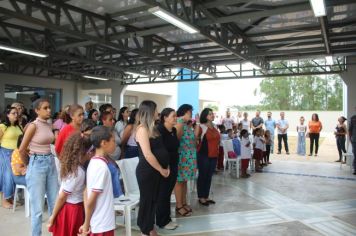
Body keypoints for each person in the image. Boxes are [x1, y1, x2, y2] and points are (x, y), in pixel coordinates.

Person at [19, 98, 59, 236]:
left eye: (49, 107)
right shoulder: (33, 126)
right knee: (38, 209)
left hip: (50, 162)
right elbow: (22, 149)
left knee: (55, 203)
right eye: (45, 108)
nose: (49, 110)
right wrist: (28, 165)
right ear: (37, 110)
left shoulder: (48, 124)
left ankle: (57, 232)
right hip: (37, 164)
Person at [135, 100, 170, 236]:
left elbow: (161, 149)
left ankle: (149, 226)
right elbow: (148, 155)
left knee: (154, 199)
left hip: (156, 170)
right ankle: (146, 228)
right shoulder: (142, 129)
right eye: (156, 110)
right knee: (147, 200)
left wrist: (165, 166)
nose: (157, 112)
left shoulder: (152, 128)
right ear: (150, 112)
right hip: (147, 171)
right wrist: (161, 169)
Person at [47, 132, 91, 236]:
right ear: (84, 152)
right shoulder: (77, 172)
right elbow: (62, 196)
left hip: (73, 208)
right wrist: (53, 216)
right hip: (71, 210)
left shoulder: (74, 168)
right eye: (90, 151)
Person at [79, 126, 116, 236]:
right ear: (104, 143)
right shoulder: (101, 167)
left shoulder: (93, 162)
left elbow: (86, 192)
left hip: (98, 221)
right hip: (103, 223)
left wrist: (88, 221)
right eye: (113, 141)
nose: (115, 144)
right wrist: (86, 224)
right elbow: (91, 200)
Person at [156, 108, 180, 230]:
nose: (176, 118)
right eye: (173, 116)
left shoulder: (174, 130)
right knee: (163, 193)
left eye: (176, 116)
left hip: (174, 164)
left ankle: (167, 218)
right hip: (165, 166)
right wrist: (166, 166)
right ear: (165, 118)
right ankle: (162, 221)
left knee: (168, 192)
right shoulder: (160, 131)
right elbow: (160, 151)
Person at [195, 108, 220, 206]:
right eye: (210, 114)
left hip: (214, 155)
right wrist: (197, 123)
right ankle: (201, 197)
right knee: (203, 176)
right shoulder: (201, 126)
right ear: (205, 116)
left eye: (213, 114)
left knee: (209, 176)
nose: (212, 115)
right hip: (204, 155)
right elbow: (196, 136)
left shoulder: (215, 126)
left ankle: (206, 196)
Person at [175, 104, 196, 217]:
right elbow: (176, 139)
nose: (191, 115)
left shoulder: (186, 124)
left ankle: (183, 202)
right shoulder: (179, 122)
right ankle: (179, 206)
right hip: (182, 155)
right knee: (179, 181)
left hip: (188, 156)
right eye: (190, 113)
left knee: (184, 181)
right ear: (185, 112)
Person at [0, 106, 23, 208]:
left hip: (17, 154)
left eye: (17, 113)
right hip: (6, 153)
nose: (16, 115)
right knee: (8, 175)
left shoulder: (18, 126)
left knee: (15, 175)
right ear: (7, 115)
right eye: (13, 113)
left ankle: (11, 198)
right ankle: (5, 200)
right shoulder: (3, 126)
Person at [348, 110, 356, 175]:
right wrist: (350, 138)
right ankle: (355, 169)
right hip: (354, 140)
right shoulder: (353, 118)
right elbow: (350, 129)